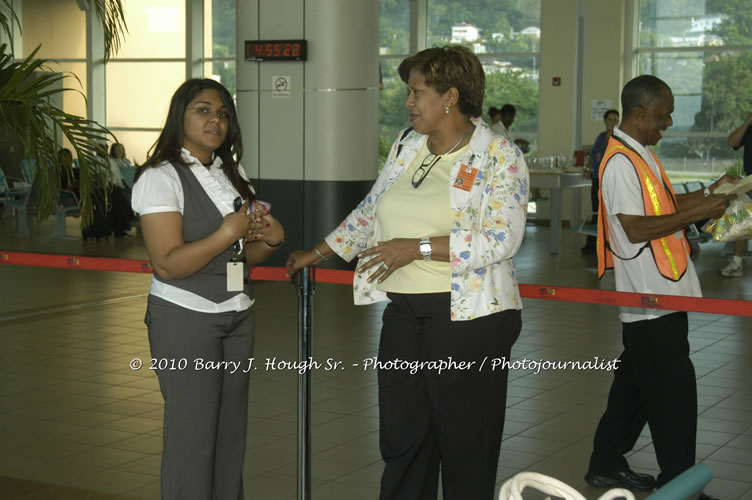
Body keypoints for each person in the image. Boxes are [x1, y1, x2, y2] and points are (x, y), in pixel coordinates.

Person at [287, 45, 528, 500]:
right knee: (403, 439)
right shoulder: (407, 146)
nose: (408, 102)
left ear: (450, 96)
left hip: (469, 319)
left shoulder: (499, 155)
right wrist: (316, 253)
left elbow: (501, 239)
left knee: (464, 443)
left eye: (417, 92)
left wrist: (414, 248)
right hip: (404, 314)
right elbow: (370, 211)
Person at [131, 78, 284, 500]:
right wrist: (226, 232)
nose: (214, 119)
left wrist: (269, 239)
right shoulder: (161, 177)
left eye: (221, 113)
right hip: (186, 317)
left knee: (229, 436)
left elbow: (242, 258)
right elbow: (168, 263)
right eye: (202, 110)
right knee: (192, 437)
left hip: (237, 313)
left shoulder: (231, 174)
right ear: (179, 115)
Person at [585, 75, 736, 499]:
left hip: (661, 296)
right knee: (673, 396)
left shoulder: (641, 153)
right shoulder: (618, 163)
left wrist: (711, 192)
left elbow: (664, 206)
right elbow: (634, 229)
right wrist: (700, 211)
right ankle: (678, 480)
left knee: (634, 388)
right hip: (649, 301)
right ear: (638, 114)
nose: (668, 123)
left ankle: (605, 463)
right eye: (663, 116)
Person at [718, 112, 752, 278]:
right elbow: (732, 141)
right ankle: (737, 263)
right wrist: (748, 122)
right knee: (740, 217)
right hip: (750, 180)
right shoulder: (749, 126)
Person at [582, 109, 620, 254]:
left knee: (610, 214)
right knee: (596, 212)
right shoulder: (601, 137)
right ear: (605, 122)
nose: (612, 122)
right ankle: (592, 245)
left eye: (615, 120)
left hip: (612, 182)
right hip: (598, 179)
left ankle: (610, 247)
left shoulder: (619, 138)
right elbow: (593, 155)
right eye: (609, 120)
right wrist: (588, 168)